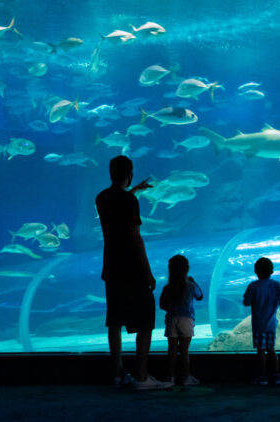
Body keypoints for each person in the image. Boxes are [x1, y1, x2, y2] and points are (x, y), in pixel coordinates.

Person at [95, 155, 171, 390]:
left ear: (111, 173)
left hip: (111, 266)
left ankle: (117, 373)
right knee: (146, 320)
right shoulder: (129, 202)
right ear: (129, 174)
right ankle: (140, 375)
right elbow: (135, 237)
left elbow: (118, 205)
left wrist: (134, 190)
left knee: (115, 320)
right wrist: (147, 272)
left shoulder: (101, 198)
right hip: (131, 267)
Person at [243, 257, 280, 385]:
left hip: (259, 325)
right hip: (272, 324)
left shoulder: (253, 286)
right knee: (271, 349)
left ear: (256, 271)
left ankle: (262, 376)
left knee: (261, 351)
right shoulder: (276, 285)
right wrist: (278, 303)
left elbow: (246, 303)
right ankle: (276, 376)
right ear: (272, 271)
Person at [159, 254, 204, 386]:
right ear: (187, 269)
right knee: (184, 350)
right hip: (186, 319)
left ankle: (170, 377)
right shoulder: (190, 285)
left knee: (172, 350)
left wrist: (171, 308)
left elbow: (162, 304)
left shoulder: (167, 287)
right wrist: (194, 281)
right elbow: (200, 296)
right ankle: (185, 377)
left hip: (172, 319)